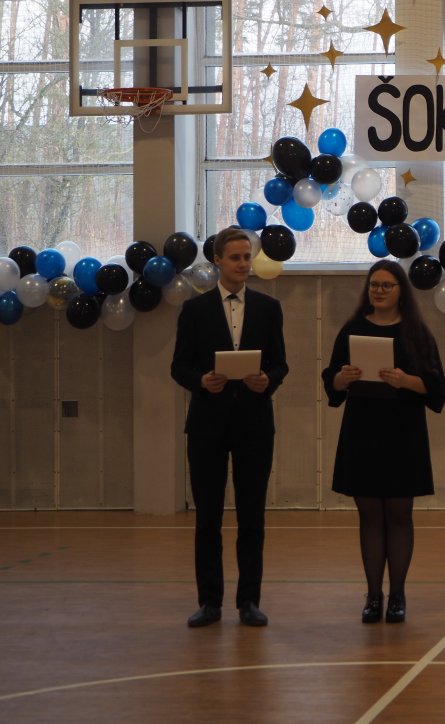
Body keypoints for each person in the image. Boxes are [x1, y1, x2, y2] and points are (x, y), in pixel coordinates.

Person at [171, 226, 288, 628]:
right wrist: (202, 380)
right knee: (208, 517)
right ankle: (209, 602)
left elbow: (280, 363)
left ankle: (249, 601)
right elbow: (179, 366)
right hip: (208, 424)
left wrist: (267, 380)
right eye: (235, 257)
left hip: (255, 423)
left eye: (246, 257)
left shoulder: (269, 308)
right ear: (218, 261)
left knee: (252, 516)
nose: (242, 264)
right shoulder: (195, 310)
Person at [322, 260, 445, 624]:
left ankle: (398, 595)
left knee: (399, 514)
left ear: (400, 291)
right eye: (374, 284)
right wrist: (342, 378)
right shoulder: (353, 329)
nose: (378, 290)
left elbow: (437, 388)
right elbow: (331, 381)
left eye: (386, 285)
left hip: (403, 432)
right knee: (370, 516)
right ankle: (373, 595)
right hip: (362, 430)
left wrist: (405, 381)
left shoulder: (416, 332)